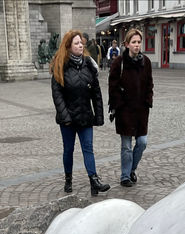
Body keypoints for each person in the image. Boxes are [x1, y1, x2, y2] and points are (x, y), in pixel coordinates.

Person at [50, 29, 110, 197]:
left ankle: (94, 180)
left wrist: (98, 116)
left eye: (81, 43)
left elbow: (96, 93)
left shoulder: (89, 64)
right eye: (76, 43)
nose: (80, 46)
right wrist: (65, 116)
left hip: (85, 116)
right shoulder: (60, 65)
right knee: (68, 150)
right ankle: (68, 179)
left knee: (88, 148)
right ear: (68, 46)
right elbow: (57, 94)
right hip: (67, 119)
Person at [108, 28, 153, 188]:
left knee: (142, 142)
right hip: (125, 111)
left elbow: (149, 84)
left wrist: (148, 101)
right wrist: (119, 104)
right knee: (126, 146)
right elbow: (112, 86)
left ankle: (132, 168)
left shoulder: (146, 62)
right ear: (127, 44)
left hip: (141, 111)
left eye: (139, 42)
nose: (137, 45)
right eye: (133, 42)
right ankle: (125, 176)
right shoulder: (118, 63)